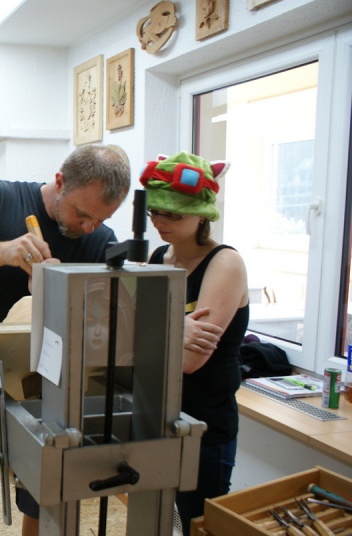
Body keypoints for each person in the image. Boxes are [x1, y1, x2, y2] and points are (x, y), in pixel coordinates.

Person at [0, 145, 131, 536]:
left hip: (49, 391)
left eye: (101, 219)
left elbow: (111, 322)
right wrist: (6, 251)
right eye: (82, 214)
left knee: (44, 500)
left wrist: (62, 294)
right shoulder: (0, 199)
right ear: (60, 182)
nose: (89, 228)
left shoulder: (100, 240)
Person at [141, 152, 249, 534]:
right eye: (155, 213)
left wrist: (156, 327)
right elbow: (129, 332)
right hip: (159, 413)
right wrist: (174, 326)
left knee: (199, 525)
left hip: (204, 423)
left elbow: (189, 360)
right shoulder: (158, 257)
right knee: (153, 517)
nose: (160, 223)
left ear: (202, 215)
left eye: (172, 215)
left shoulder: (224, 263)